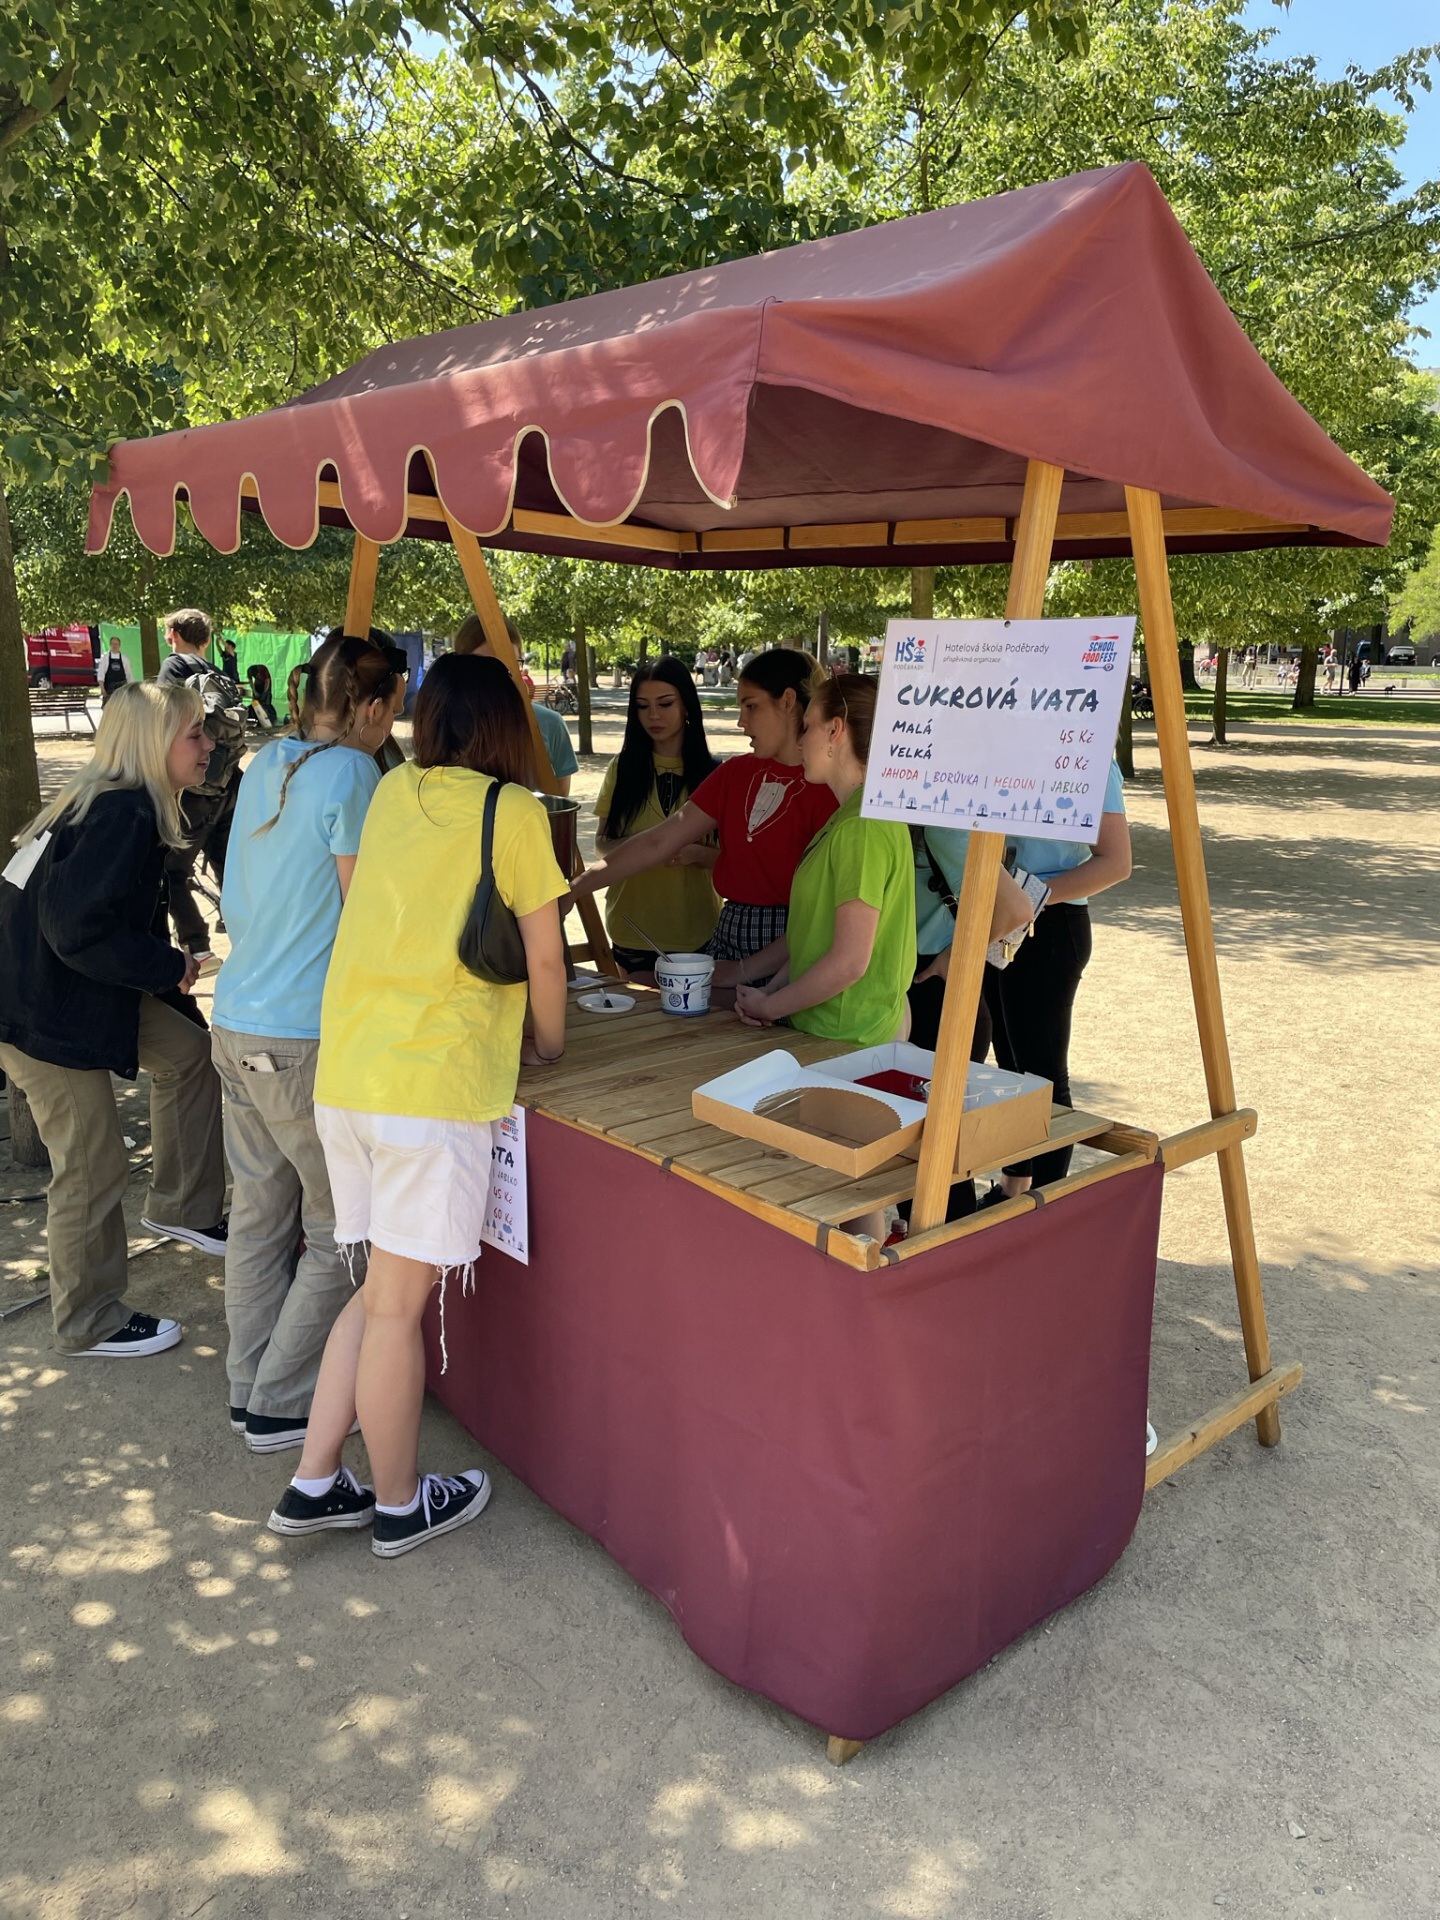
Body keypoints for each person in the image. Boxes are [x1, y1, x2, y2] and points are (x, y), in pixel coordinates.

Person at [267, 653, 569, 1557]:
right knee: (397, 1309)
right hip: (430, 1084)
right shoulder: (513, 812)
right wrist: (550, 1045)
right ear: (509, 726)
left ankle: (316, 1479)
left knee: (376, 1295)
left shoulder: (393, 791)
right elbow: (545, 957)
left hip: (352, 1075)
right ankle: (399, 1503)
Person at [0, 681, 227, 1357]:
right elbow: (75, 929)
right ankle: (88, 1319)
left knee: (189, 1053)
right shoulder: (120, 813)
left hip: (68, 988)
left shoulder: (107, 801)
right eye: (194, 734)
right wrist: (164, 964)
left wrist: (164, 971)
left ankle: (183, 1207)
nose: (209, 745)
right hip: (42, 1015)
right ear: (153, 744)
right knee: (91, 1164)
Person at [211, 634, 398, 1453]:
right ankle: (281, 1401)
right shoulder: (354, 773)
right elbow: (366, 914)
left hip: (235, 1019)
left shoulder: (266, 763)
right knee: (340, 1229)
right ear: (371, 707)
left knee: (259, 1218)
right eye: (391, 709)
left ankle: (249, 1386)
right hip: (301, 1035)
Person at [573, 649, 837, 967]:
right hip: (726, 936)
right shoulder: (734, 773)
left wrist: (743, 975)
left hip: (795, 941)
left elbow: (827, 911)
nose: (740, 722)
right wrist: (574, 890)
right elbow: (658, 841)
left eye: (750, 706)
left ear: (787, 701)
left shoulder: (830, 788)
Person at [728, 673, 914, 1047]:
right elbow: (816, 935)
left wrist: (770, 1006)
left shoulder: (862, 827)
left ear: (835, 731)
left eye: (808, 726)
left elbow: (849, 961)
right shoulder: (852, 817)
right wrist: (770, 992)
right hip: (832, 1032)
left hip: (846, 1037)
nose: (800, 742)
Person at [980, 759, 1133, 1201]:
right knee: (1011, 1068)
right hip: (995, 916)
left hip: (1051, 924)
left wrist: (1033, 896)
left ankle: (1047, 1207)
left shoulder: (1092, 758)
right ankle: (1014, 1186)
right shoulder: (997, 747)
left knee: (1043, 1077)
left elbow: (1116, 861)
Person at [594, 659, 720, 972]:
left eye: (665, 704)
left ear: (687, 704)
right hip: (631, 930)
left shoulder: (716, 773)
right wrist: (645, 847)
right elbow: (601, 844)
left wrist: (696, 854)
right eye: (642, 706)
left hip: (698, 933)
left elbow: (733, 860)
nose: (653, 715)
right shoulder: (621, 768)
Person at [157, 608, 246, 970]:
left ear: (173, 634)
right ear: (207, 640)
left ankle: (198, 948)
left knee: (171, 871)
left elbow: (163, 725)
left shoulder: (173, 668)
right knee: (230, 869)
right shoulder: (219, 674)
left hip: (192, 790)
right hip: (228, 785)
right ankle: (249, 939)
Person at [453, 613, 577, 795]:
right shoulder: (442, 725)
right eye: (483, 665)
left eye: (509, 663)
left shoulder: (549, 724)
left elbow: (559, 801)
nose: (497, 675)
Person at [100, 634, 136, 705]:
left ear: (119, 645)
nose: (115, 646)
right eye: (113, 644)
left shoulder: (125, 659)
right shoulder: (105, 658)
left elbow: (129, 675)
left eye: (116, 644)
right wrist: (102, 689)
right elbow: (100, 675)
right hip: (109, 689)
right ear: (110, 645)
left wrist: (132, 689)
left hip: (122, 690)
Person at [247, 663, 279, 729]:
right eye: (255, 676)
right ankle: (256, 718)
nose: (257, 677)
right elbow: (250, 681)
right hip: (257, 685)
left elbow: (267, 682)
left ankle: (269, 718)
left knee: (266, 702)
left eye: (257, 675)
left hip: (265, 684)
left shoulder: (263, 669)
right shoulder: (249, 671)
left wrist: (264, 693)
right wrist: (254, 691)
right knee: (256, 702)